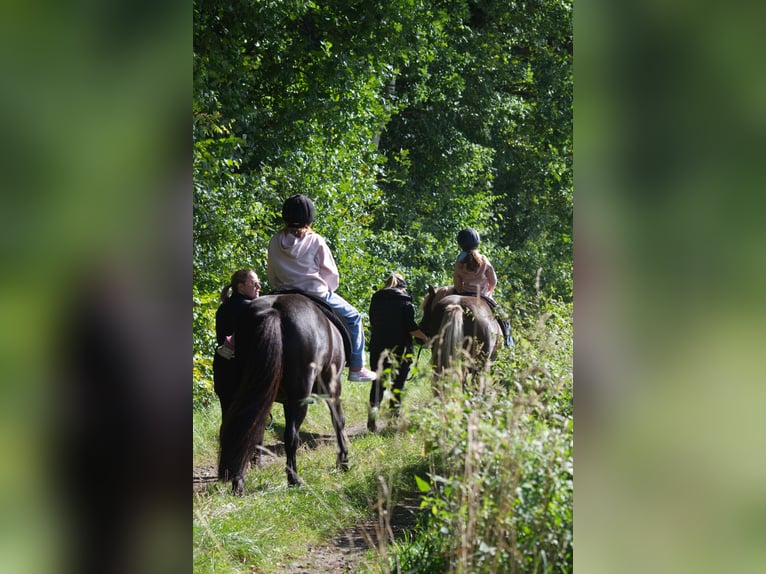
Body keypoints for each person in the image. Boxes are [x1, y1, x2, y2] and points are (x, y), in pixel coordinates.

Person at [267, 194, 377, 382]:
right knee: (354, 317)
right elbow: (331, 274)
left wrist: (281, 284)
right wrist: (328, 289)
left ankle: (234, 345)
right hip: (315, 293)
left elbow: (272, 274)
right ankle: (357, 368)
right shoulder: (316, 240)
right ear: (309, 217)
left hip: (282, 292)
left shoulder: (275, 241)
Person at [367, 273, 428, 431]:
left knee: (378, 384)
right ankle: (393, 420)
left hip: (377, 348)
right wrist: (426, 338)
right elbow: (412, 329)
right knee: (397, 385)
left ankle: (372, 420)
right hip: (400, 350)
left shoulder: (376, 299)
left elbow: (373, 321)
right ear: (402, 287)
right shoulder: (405, 302)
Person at [453, 228, 513, 347]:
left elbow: (457, 283)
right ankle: (509, 344)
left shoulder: (459, 262)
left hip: (465, 294)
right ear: (477, 242)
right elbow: (493, 280)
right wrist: (489, 291)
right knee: (504, 319)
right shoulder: (483, 259)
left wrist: (460, 291)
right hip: (484, 296)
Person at [213, 268, 260, 416]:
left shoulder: (223, 307)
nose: (259, 287)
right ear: (240, 286)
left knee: (228, 420)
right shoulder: (253, 308)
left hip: (223, 369)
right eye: (254, 283)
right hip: (245, 375)